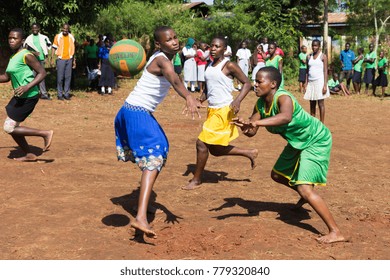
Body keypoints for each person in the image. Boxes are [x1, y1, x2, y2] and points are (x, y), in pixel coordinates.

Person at [231, 66, 346, 244]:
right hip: (297, 142)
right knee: (277, 175)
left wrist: (258, 123)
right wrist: (246, 127)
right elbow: (252, 130)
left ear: (273, 84)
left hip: (316, 140)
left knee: (304, 189)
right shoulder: (261, 104)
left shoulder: (284, 98)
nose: (255, 85)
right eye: (255, 81)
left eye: (259, 81)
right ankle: (305, 194)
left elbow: (285, 117)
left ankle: (335, 231)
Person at [114, 26, 201, 238]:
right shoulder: (162, 59)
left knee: (160, 149)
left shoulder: (164, 58)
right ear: (158, 45)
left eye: (175, 37)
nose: (174, 41)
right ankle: (141, 218)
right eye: (168, 39)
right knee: (154, 155)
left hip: (132, 111)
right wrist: (189, 96)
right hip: (137, 112)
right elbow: (174, 79)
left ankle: (140, 206)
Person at [182, 36, 258, 191]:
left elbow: (247, 83)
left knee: (201, 143)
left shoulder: (229, 65)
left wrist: (237, 101)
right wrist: (200, 100)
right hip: (213, 109)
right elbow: (210, 88)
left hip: (224, 110)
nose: (214, 49)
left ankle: (196, 180)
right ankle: (249, 153)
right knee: (215, 150)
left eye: (217, 46)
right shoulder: (210, 64)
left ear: (224, 49)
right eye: (212, 46)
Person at [0, 28, 53, 162]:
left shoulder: (26, 54)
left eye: (15, 38)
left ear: (22, 40)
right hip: (20, 96)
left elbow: (42, 72)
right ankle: (29, 154)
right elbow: (6, 77)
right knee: (12, 127)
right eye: (10, 38)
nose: (11, 40)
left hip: (29, 96)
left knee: (9, 127)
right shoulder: (13, 58)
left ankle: (44, 133)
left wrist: (27, 87)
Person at [304, 39, 329, 123]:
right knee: (312, 103)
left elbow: (325, 71)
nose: (314, 47)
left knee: (321, 103)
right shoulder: (308, 57)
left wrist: (325, 85)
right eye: (313, 45)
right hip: (311, 83)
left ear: (319, 47)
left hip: (320, 82)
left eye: (316, 46)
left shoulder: (323, 56)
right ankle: (313, 122)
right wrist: (306, 83)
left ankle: (322, 123)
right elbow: (307, 71)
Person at [25, 23, 52, 100]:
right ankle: (31, 94)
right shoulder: (29, 38)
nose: (35, 30)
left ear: (39, 28)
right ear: (31, 29)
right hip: (32, 60)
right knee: (32, 76)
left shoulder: (43, 37)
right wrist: (34, 53)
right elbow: (25, 48)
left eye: (36, 28)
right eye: (33, 28)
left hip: (41, 59)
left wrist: (46, 55)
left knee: (41, 76)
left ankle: (43, 94)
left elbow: (48, 45)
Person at [52, 23, 76, 100]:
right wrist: (52, 58)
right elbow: (54, 47)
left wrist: (74, 61)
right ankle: (59, 94)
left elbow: (73, 49)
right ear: (62, 29)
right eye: (64, 28)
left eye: (67, 29)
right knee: (60, 77)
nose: (65, 30)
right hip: (60, 59)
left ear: (68, 29)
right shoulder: (58, 37)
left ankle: (66, 94)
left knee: (68, 77)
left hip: (69, 59)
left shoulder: (71, 37)